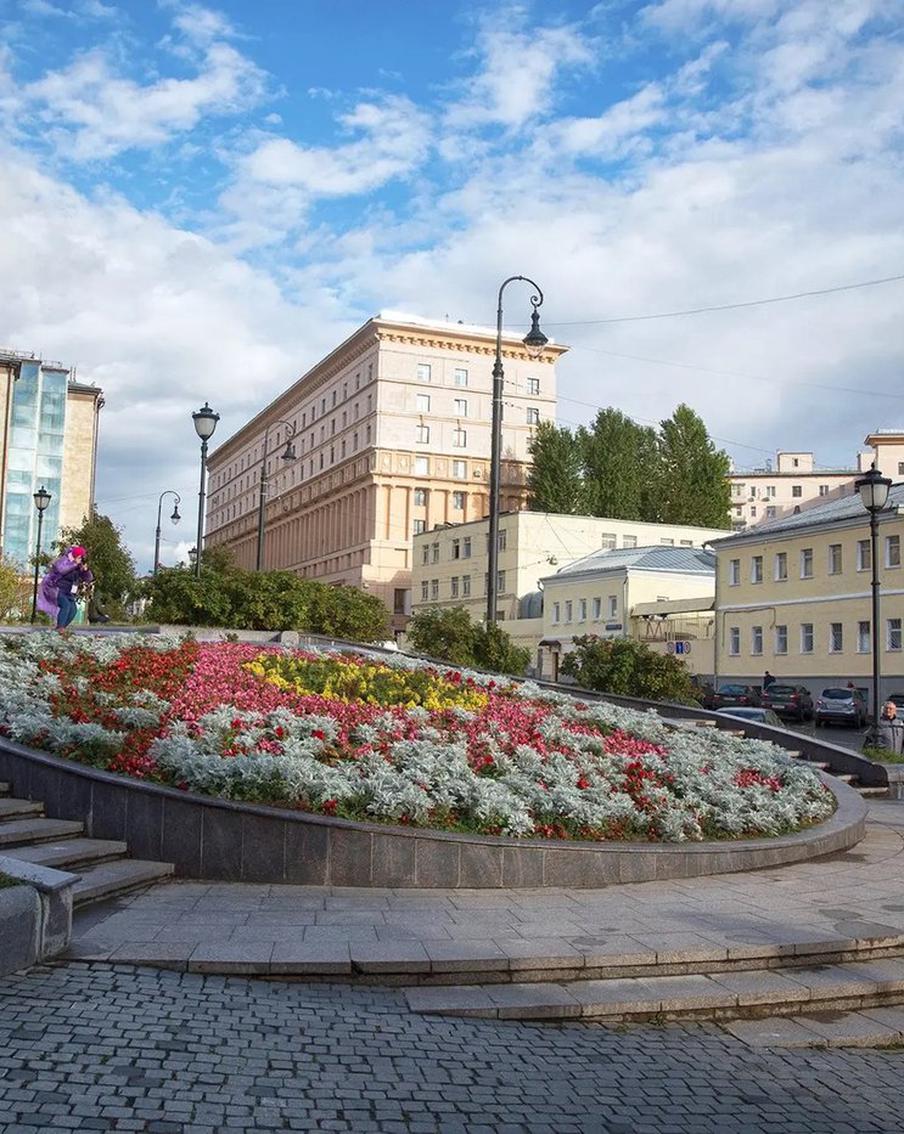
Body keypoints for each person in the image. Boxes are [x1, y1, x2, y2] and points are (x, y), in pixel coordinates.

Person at [36, 546, 94, 629]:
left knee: (73, 610)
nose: (81, 559)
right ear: (76, 555)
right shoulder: (65, 559)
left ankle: (61, 628)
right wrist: (74, 563)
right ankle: (60, 628)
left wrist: (85, 571)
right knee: (65, 605)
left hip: (67, 590)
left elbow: (88, 579)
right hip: (54, 587)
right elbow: (61, 569)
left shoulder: (78, 565)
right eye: (80, 557)